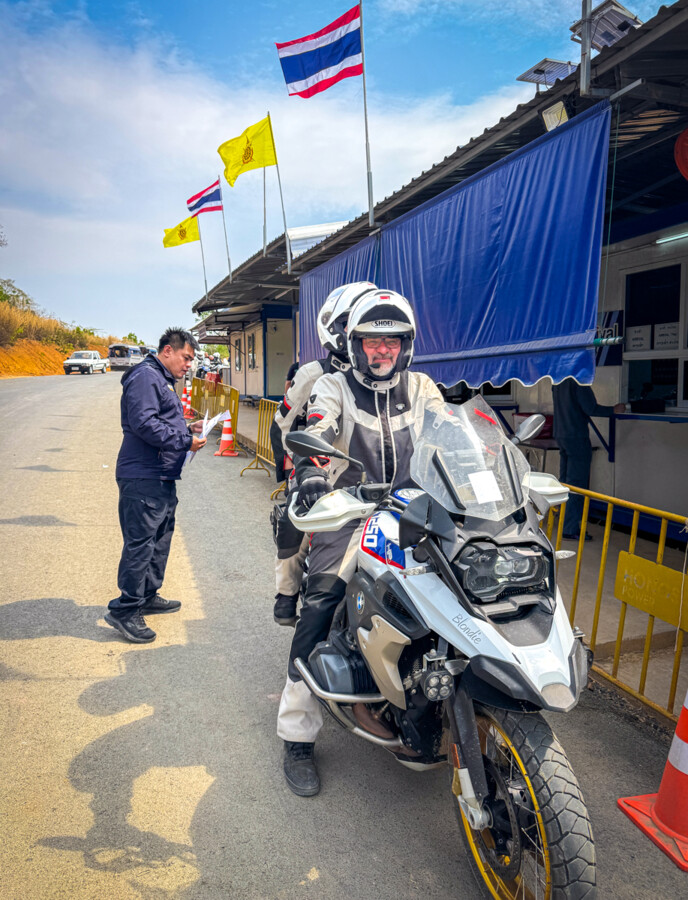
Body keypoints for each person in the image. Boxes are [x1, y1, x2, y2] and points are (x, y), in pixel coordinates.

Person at [276, 289, 444, 796]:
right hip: (351, 511)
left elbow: (449, 432)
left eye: (392, 341)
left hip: (417, 511)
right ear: (355, 344)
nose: (382, 350)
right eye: (373, 341)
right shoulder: (333, 386)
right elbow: (318, 429)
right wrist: (311, 469)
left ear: (406, 345)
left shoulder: (422, 387)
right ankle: (297, 734)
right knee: (322, 603)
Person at [270, 282, 377, 626]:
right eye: (350, 322)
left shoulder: (390, 376)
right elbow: (282, 424)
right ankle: (286, 594)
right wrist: (295, 468)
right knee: (295, 522)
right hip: (321, 471)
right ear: (334, 328)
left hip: (375, 475)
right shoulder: (314, 373)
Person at [105, 327, 207, 643]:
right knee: (140, 544)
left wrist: (187, 428)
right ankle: (125, 609)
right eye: (186, 358)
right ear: (167, 351)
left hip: (160, 475)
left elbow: (160, 420)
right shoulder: (146, 377)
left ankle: (147, 595)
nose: (188, 365)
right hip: (143, 475)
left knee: (159, 539)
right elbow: (144, 423)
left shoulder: (159, 379)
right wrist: (185, 441)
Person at [552, 377, 625, 540]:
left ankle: (563, 521)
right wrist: (613, 410)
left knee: (565, 483)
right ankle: (570, 528)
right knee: (577, 486)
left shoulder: (558, 379)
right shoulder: (579, 381)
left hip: (561, 434)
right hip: (576, 436)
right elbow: (590, 408)